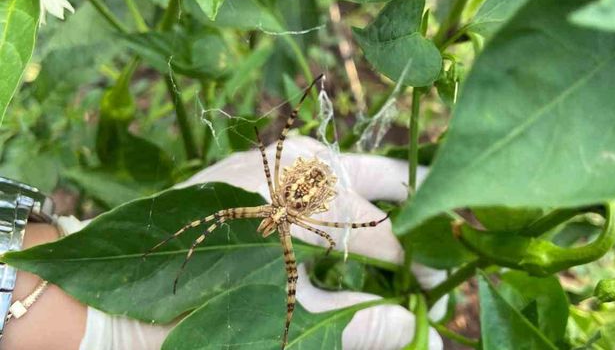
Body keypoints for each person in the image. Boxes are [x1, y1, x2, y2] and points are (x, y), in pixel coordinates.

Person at [2, 136, 446, 349]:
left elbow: (340, 227)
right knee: (218, 215)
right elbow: (224, 206)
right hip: (280, 207)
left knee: (290, 281)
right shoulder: (256, 211)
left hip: (290, 206)